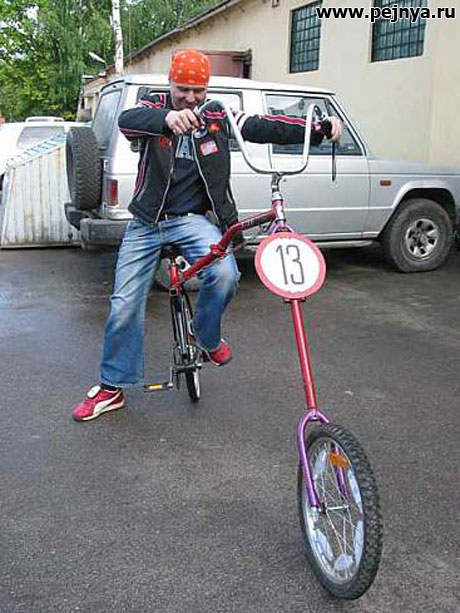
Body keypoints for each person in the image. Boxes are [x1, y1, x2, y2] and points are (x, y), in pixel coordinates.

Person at [72, 48, 341, 422]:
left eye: (197, 90)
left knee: (226, 274)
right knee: (124, 304)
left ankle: (206, 337)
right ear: (170, 84)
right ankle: (112, 386)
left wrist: (317, 128)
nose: (190, 98)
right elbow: (127, 121)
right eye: (182, 89)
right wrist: (167, 118)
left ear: (207, 88)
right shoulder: (153, 106)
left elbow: (262, 126)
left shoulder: (217, 114)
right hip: (147, 221)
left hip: (193, 220)